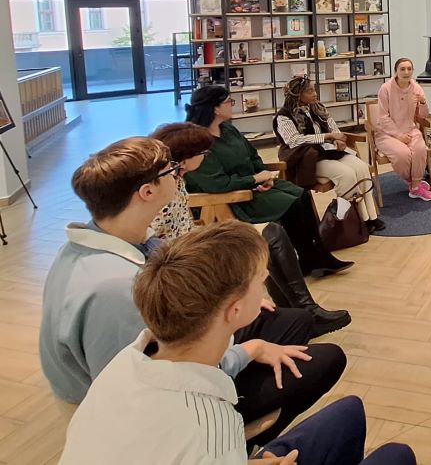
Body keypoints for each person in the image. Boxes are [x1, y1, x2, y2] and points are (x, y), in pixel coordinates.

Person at [39, 138, 347, 444]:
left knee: (296, 321)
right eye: (171, 170)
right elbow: (156, 382)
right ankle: (231, 442)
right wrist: (251, 350)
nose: (178, 174)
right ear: (147, 192)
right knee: (325, 361)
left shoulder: (111, 241)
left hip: (176, 357)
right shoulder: (116, 290)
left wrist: (239, 300)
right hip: (160, 410)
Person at [59, 221, 416, 465]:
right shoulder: (207, 427)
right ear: (234, 309)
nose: (266, 281)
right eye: (260, 278)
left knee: (349, 411)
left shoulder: (131, 358)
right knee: (397, 456)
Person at [151, 121, 351, 337]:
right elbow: (158, 237)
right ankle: (303, 312)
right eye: (203, 153)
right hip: (184, 251)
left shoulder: (176, 179)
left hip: (192, 239)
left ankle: (298, 311)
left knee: (272, 232)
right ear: (186, 158)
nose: (206, 156)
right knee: (268, 236)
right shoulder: (164, 187)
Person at [183, 85, 352, 277]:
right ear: (215, 108)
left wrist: (264, 174)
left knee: (301, 194)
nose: (233, 105)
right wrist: (255, 179)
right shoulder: (196, 142)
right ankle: (310, 258)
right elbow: (217, 184)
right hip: (234, 198)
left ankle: (316, 254)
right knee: (292, 204)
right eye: (229, 101)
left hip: (254, 186)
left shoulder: (228, 129)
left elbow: (252, 155)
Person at [274, 75, 382, 230]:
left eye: (314, 89)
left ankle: (370, 217)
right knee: (346, 174)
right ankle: (353, 221)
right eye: (310, 91)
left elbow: (333, 127)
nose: (315, 93)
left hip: (329, 151)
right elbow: (294, 141)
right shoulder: (283, 116)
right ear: (298, 95)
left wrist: (338, 140)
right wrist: (328, 136)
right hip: (308, 159)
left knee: (362, 168)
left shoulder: (318, 108)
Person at [375, 58, 431, 200]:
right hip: (387, 134)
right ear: (396, 71)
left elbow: (423, 116)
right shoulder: (385, 89)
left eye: (409, 69)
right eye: (402, 69)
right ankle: (414, 183)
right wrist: (398, 135)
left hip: (410, 130)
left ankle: (415, 187)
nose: (406, 72)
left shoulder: (416, 88)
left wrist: (423, 102)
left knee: (420, 149)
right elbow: (383, 118)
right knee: (402, 155)